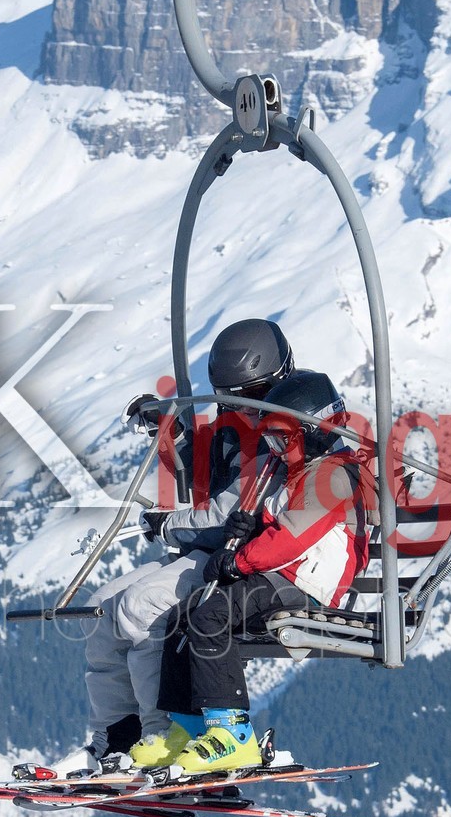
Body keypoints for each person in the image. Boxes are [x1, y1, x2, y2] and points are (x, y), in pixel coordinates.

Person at [68, 320, 295, 777]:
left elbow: (228, 515)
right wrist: (170, 431)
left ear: (279, 380)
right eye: (231, 398)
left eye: (253, 395)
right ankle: (116, 738)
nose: (244, 409)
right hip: (216, 552)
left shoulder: (286, 432)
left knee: (140, 606)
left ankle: (164, 736)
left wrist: (167, 526)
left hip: (246, 563)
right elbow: (207, 477)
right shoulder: (238, 428)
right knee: (101, 610)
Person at [149, 368, 376, 776]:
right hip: (281, 576)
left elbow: (291, 539)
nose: (275, 449)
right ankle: (189, 727)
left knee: (211, 617)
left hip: (305, 584)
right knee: (182, 617)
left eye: (281, 439)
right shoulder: (303, 472)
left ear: (312, 432)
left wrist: (237, 561)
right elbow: (278, 527)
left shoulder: (333, 476)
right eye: (270, 440)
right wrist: (249, 528)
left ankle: (233, 735)